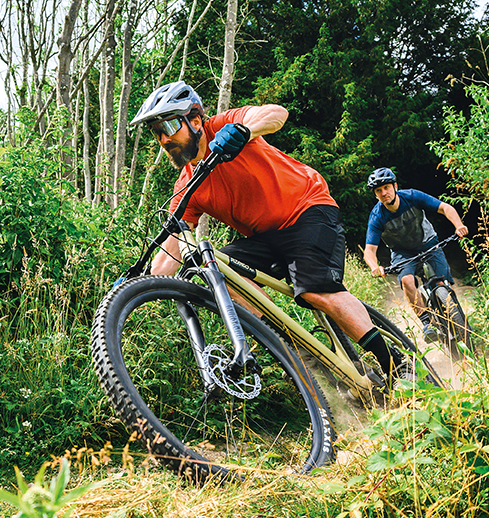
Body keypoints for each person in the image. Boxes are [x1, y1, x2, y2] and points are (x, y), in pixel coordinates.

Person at [128, 80, 396, 377]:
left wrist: (244, 131)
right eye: (156, 134)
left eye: (167, 128)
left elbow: (275, 113)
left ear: (194, 121)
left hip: (307, 208)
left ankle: (397, 365)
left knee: (315, 291)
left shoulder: (224, 125)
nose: (163, 140)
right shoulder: (187, 186)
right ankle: (292, 345)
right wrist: (133, 289)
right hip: (265, 237)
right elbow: (170, 253)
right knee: (217, 269)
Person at [363, 167, 468, 337]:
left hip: (428, 242)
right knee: (407, 281)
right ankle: (427, 322)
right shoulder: (377, 216)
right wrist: (374, 266)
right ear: (375, 195)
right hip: (402, 252)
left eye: (386, 188)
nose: (384, 193)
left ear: (395, 186)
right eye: (378, 191)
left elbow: (444, 208)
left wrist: (459, 226)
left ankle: (458, 317)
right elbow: (369, 250)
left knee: (444, 283)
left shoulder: (412, 196)